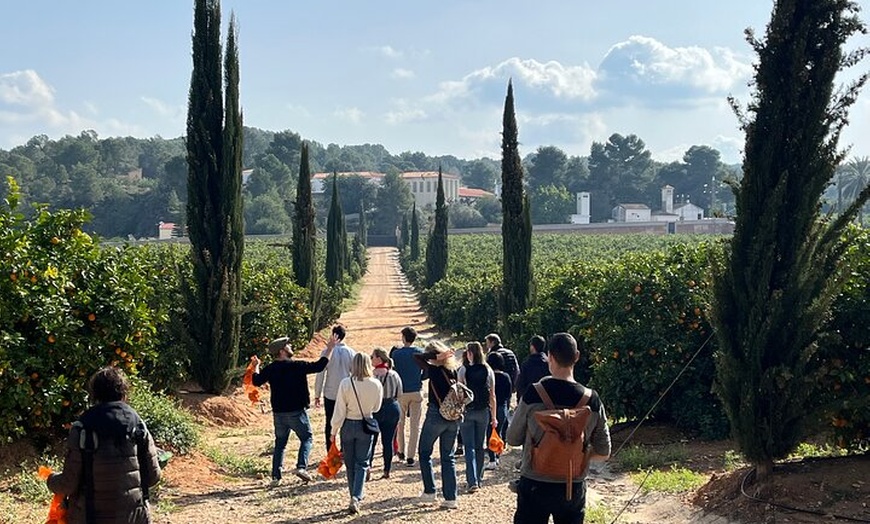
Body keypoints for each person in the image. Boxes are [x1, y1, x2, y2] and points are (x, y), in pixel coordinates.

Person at [506, 333, 611, 524]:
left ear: (550, 357)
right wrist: (575, 453)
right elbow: (604, 452)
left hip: (534, 483)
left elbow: (512, 438)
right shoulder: (592, 400)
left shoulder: (533, 393)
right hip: (573, 487)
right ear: (577, 356)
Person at [47, 366, 161, 524]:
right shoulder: (138, 424)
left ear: (95, 394)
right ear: (123, 392)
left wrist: (51, 480)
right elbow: (153, 476)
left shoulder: (82, 427)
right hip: (133, 517)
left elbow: (68, 484)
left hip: (90, 517)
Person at [252, 336, 334, 485]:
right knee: (307, 438)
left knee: (280, 443)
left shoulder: (271, 369)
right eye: (288, 345)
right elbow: (319, 366)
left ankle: (276, 477)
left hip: (279, 413)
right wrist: (329, 349)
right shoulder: (297, 366)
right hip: (297, 412)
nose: (291, 346)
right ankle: (301, 467)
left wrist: (256, 365)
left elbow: (256, 381)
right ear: (282, 351)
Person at [331, 353, 383, 514]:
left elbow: (339, 409)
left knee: (350, 462)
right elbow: (376, 408)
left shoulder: (346, 383)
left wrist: (333, 430)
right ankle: (356, 496)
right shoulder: (376, 384)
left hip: (348, 424)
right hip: (365, 424)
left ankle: (353, 493)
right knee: (362, 462)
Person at [413, 341, 461, 509]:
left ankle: (430, 492)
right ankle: (450, 497)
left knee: (424, 452)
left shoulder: (434, 370)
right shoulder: (453, 371)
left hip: (436, 415)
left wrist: (434, 357)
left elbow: (416, 357)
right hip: (453, 418)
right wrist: (441, 356)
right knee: (448, 456)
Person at [457, 342, 497, 493]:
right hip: (483, 411)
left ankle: (471, 480)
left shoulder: (463, 370)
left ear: (469, 354)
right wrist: (494, 417)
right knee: (480, 446)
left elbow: (460, 394)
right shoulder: (488, 370)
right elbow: (492, 395)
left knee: (469, 447)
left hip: (468, 411)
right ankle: (479, 479)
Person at [315, 325, 356, 452]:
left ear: (333, 335)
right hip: (346, 393)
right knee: (345, 422)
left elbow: (320, 375)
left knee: (330, 422)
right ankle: (345, 449)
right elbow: (354, 373)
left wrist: (317, 394)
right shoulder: (351, 352)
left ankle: (330, 449)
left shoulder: (326, 352)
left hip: (330, 393)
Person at [390, 326, 425, 467]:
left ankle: (401, 452)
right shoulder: (419, 353)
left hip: (401, 392)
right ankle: (411, 456)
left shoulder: (397, 354)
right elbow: (427, 369)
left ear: (403, 337)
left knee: (400, 423)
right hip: (416, 391)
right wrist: (420, 379)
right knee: (415, 426)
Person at [369, 347, 403, 479]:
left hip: (376, 408)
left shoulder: (372, 375)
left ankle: (368, 466)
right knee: (388, 441)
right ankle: (386, 470)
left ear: (379, 358)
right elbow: (400, 393)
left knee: (371, 439)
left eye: (372, 356)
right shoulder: (394, 374)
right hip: (392, 407)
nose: (371, 359)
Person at [485, 351, 512, 470]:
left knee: (490, 433)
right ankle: (498, 455)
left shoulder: (489, 376)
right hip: (503, 407)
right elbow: (509, 394)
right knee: (499, 432)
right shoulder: (506, 376)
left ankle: (492, 459)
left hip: (491, 407)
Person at [515, 335, 550, 402]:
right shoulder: (549, 363)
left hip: (530, 401)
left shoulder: (527, 363)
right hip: (547, 401)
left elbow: (520, 384)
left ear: (532, 346)